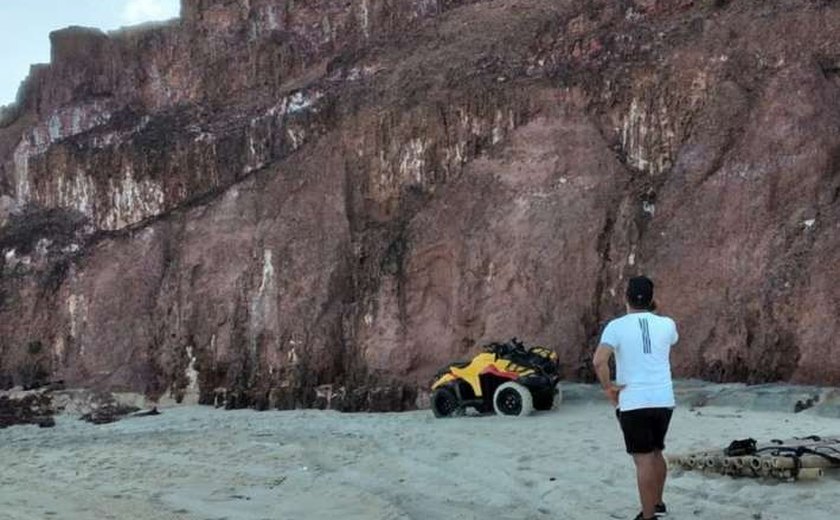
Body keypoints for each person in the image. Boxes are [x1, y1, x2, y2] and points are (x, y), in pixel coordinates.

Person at [592, 276, 679, 520]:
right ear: (653, 300)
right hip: (663, 399)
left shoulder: (616, 327)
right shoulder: (667, 324)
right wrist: (655, 311)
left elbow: (599, 361)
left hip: (634, 401)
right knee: (656, 451)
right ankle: (659, 502)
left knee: (642, 460)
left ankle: (648, 516)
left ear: (625, 297)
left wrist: (609, 388)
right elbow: (669, 338)